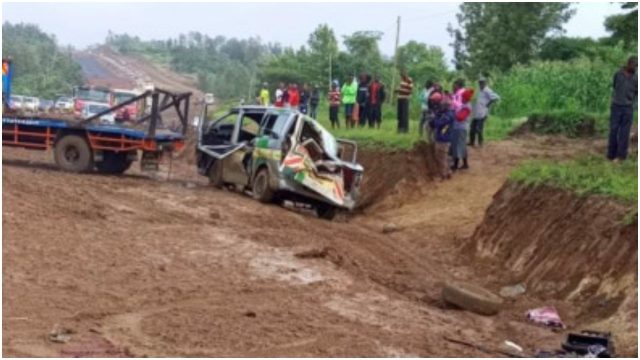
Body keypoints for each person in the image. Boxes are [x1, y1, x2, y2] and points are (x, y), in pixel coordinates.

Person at [608, 56, 638, 162]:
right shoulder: (618, 74)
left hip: (628, 108)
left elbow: (637, 94)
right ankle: (611, 155)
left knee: (624, 133)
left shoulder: (636, 78)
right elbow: (615, 86)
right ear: (628, 64)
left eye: (637, 66)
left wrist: (633, 105)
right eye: (634, 65)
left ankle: (621, 156)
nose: (635, 68)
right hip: (616, 106)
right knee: (613, 130)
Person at [469, 77, 500, 147]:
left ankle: (480, 143)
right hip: (476, 112)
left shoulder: (487, 90)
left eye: (482, 82)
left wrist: (488, 104)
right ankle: (471, 142)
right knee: (472, 127)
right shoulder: (480, 90)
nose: (480, 84)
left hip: (482, 112)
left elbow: (496, 97)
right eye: (479, 82)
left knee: (479, 129)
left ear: (485, 83)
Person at [429, 93, 453, 180]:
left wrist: (434, 118)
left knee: (440, 158)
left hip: (443, 139)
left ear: (446, 106)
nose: (440, 106)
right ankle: (448, 172)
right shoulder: (447, 114)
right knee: (444, 157)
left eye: (442, 105)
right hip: (443, 138)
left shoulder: (448, 115)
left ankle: (442, 175)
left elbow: (438, 124)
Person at [450, 87, 474, 171]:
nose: (462, 98)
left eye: (463, 97)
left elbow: (460, 117)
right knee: (462, 146)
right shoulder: (465, 105)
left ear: (466, 98)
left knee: (457, 146)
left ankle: (455, 165)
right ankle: (465, 164)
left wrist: (453, 115)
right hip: (461, 128)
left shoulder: (467, 107)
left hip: (460, 128)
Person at [394, 68, 413, 133]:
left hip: (405, 99)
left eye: (404, 73)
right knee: (400, 114)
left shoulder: (409, 80)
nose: (402, 74)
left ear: (406, 73)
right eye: (401, 73)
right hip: (400, 98)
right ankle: (399, 128)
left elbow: (410, 90)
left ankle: (405, 129)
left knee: (404, 114)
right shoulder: (401, 80)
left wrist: (399, 90)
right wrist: (397, 90)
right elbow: (401, 88)